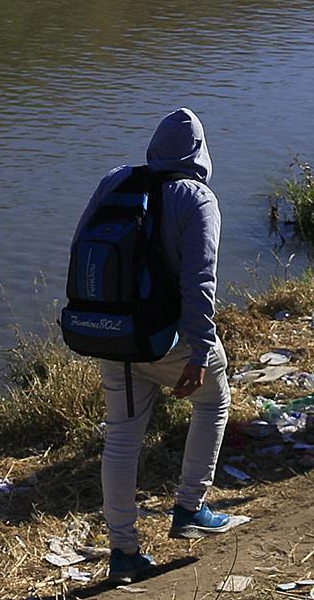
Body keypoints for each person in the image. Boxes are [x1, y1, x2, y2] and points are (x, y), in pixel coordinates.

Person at [71, 109, 247, 583]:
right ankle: (191, 506)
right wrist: (199, 349)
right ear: (200, 153)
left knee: (122, 435)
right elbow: (199, 280)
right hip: (165, 338)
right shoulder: (196, 198)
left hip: (114, 331)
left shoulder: (117, 181)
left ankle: (123, 551)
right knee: (214, 400)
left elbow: (81, 247)